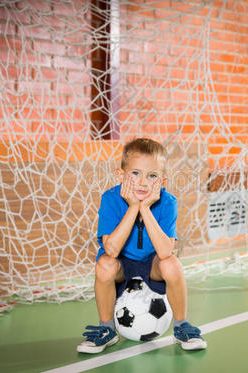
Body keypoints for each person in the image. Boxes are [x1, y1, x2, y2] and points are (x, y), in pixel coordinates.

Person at [77, 138, 207, 353]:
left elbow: (165, 251)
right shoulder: (110, 198)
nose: (143, 182)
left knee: (172, 264)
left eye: (152, 175)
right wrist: (132, 207)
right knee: (104, 264)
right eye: (135, 173)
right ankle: (107, 330)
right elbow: (111, 250)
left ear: (162, 181)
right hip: (121, 266)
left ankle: (182, 326)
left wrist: (145, 208)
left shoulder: (168, 202)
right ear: (121, 175)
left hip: (152, 264)